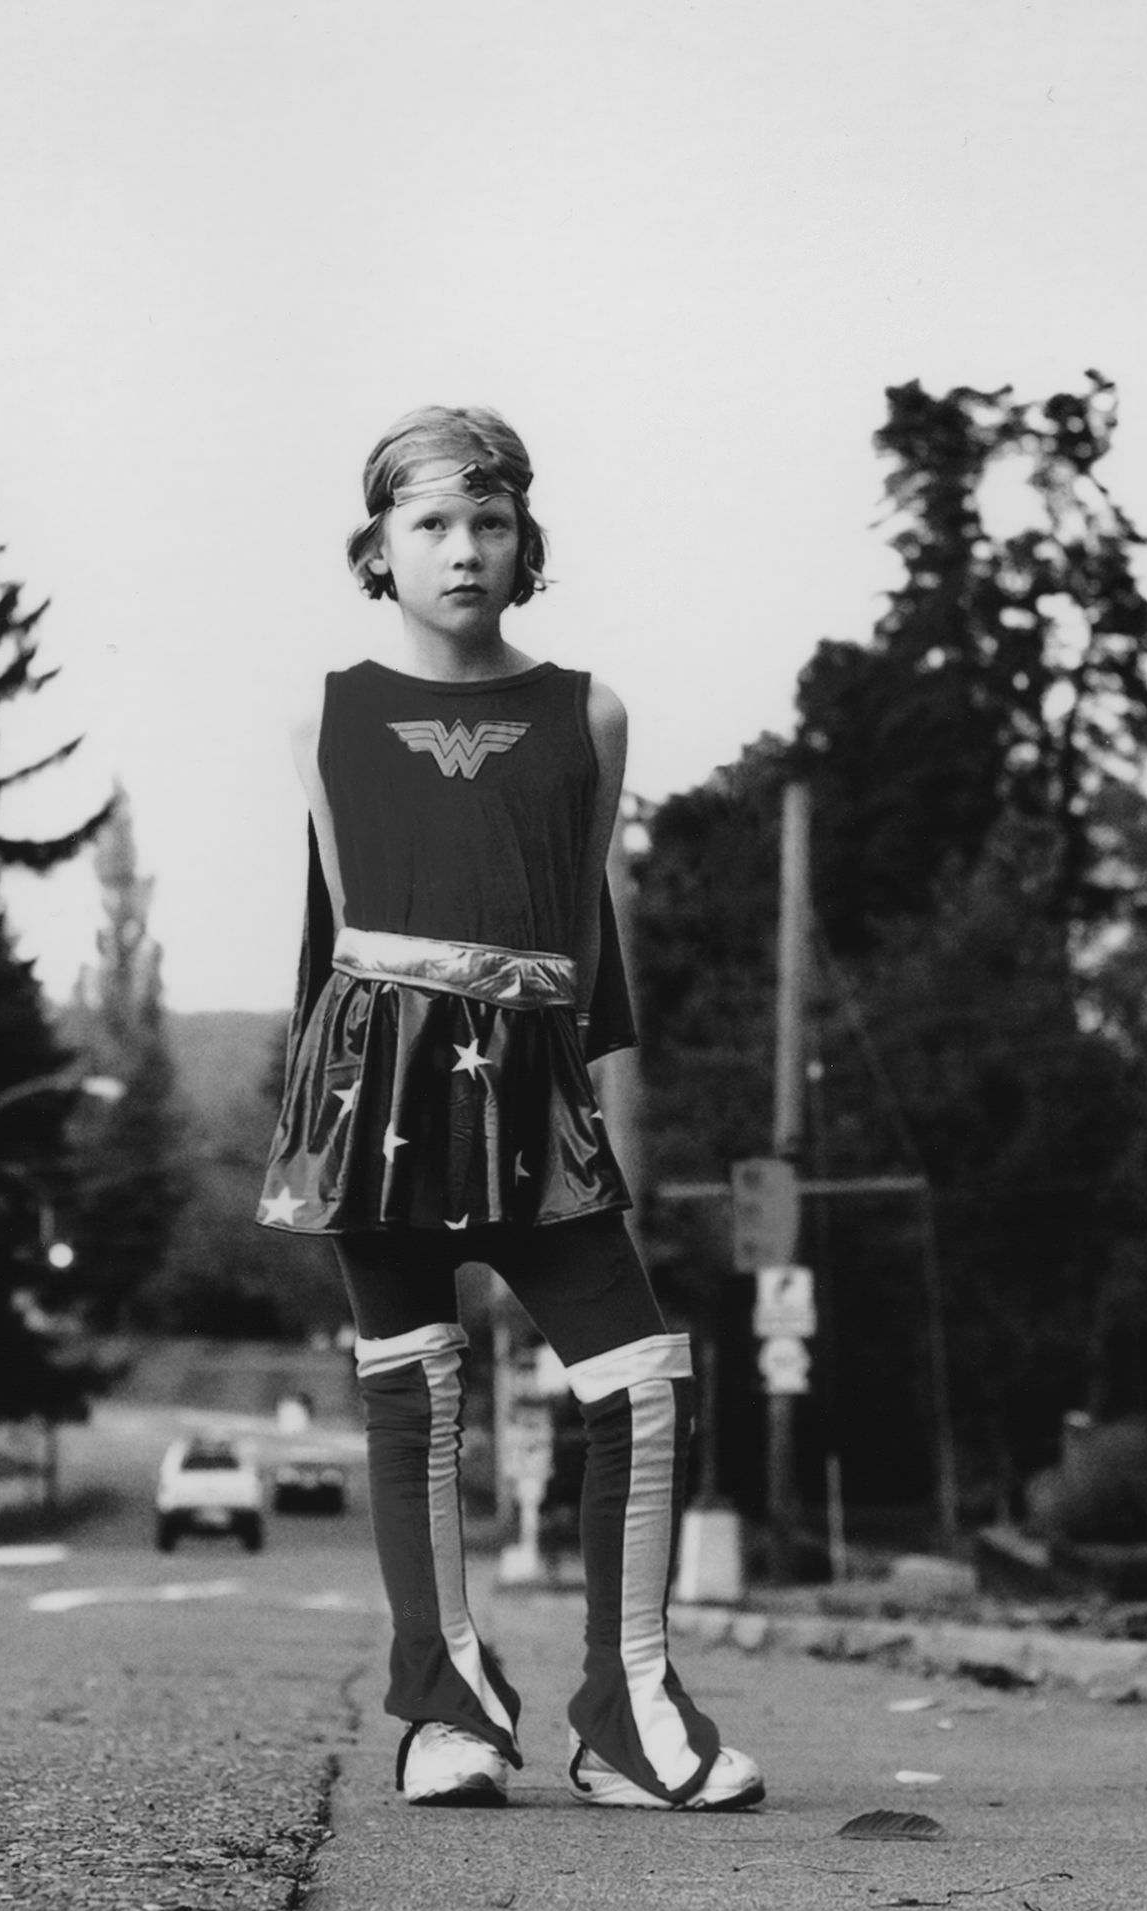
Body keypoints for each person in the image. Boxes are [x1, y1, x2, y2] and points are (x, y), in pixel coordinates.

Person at [257, 405, 763, 1814]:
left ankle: (629, 1711)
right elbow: (335, 919)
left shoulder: (587, 710)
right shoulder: (325, 709)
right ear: (378, 547)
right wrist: (309, 1117)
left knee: (639, 1382)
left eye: (490, 523)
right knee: (413, 1389)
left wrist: (614, 1107)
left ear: (526, 539)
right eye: (430, 524)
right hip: (381, 1090)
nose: (464, 550)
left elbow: (593, 942)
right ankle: (445, 1711)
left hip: (533, 1091)